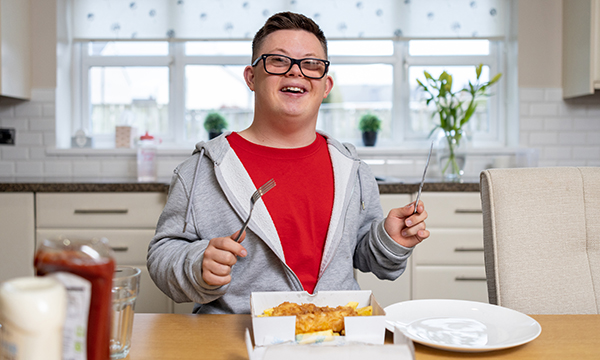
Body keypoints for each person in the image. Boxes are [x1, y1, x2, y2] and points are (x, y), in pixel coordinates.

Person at [147, 11, 429, 314]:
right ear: (251, 77)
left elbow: (364, 256)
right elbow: (162, 254)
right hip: (237, 339)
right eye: (278, 60)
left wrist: (388, 238)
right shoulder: (201, 170)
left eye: (311, 64)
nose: (296, 72)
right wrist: (196, 263)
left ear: (326, 85)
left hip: (337, 335)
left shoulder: (352, 169)